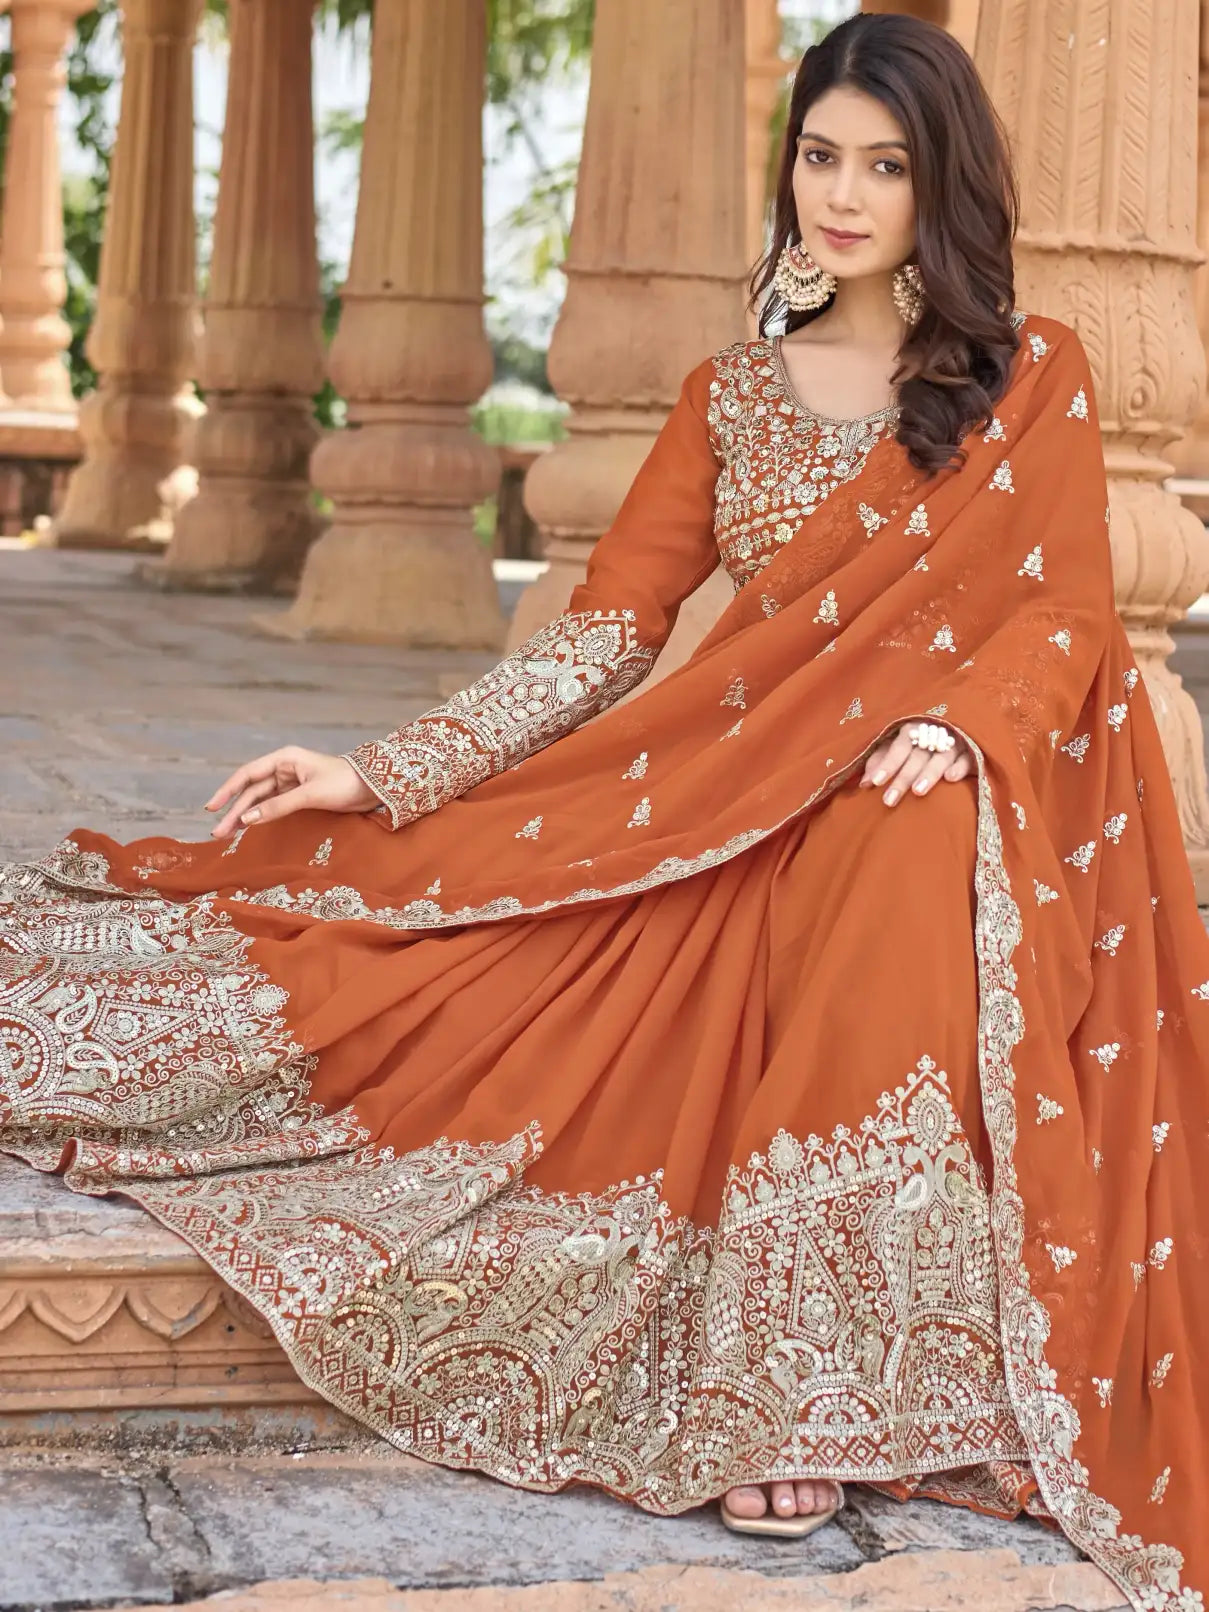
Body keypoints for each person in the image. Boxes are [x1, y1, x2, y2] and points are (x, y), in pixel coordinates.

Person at [1, 12, 1205, 1605]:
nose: (843, 195)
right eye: (820, 156)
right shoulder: (731, 396)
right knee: (400, 960)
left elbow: (1060, 617)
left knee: (902, 832)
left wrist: (961, 724)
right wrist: (386, 770)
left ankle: (801, 1374)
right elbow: (606, 635)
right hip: (719, 810)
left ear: (943, 185)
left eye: (885, 165)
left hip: (932, 793)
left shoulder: (1027, 381)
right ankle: (798, 1366)